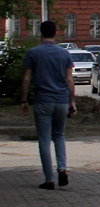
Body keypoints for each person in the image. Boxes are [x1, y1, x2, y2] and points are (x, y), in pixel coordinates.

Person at [20, 20, 76, 190]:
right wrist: (72, 102)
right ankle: (62, 168)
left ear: (40, 33)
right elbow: (69, 79)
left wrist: (23, 100)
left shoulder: (33, 53)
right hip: (61, 101)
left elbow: (26, 78)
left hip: (43, 100)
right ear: (56, 33)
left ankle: (49, 179)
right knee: (59, 136)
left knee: (44, 139)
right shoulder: (64, 54)